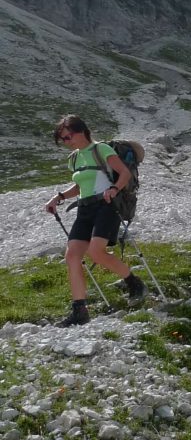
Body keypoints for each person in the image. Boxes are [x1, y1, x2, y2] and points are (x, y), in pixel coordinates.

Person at [45, 115, 144, 326]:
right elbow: (81, 186)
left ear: (81, 131)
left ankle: (134, 283)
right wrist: (59, 197)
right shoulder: (73, 158)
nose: (66, 142)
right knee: (72, 256)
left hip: (106, 206)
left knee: (96, 252)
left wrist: (114, 189)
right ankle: (79, 310)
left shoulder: (101, 150)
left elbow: (124, 173)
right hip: (84, 208)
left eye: (68, 136)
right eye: (62, 139)